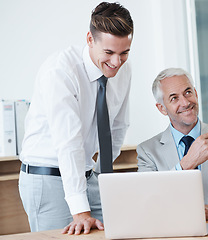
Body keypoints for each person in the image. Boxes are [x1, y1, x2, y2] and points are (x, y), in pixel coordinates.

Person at [18, 2, 133, 235]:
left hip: (88, 177)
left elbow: (119, 125)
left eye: (124, 53)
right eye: (109, 53)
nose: (116, 62)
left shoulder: (122, 69)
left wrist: (103, 175)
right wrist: (80, 212)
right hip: (48, 177)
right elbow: (68, 142)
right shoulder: (60, 71)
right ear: (90, 39)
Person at [137, 68, 208, 224]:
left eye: (188, 92)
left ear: (196, 94)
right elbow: (149, 205)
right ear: (162, 108)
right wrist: (187, 163)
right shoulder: (148, 152)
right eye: (174, 98)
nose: (185, 102)